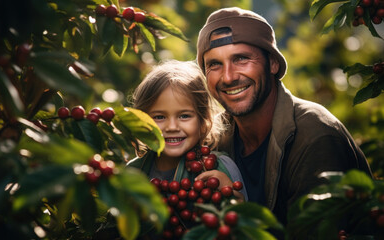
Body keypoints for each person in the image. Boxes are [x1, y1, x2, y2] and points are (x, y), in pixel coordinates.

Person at [195, 7, 372, 227]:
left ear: (274, 63)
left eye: (241, 59)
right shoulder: (213, 136)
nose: (229, 77)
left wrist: (241, 220)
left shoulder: (315, 136)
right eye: (214, 64)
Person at [127, 60, 245, 197]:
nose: (172, 127)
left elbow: (243, 216)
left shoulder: (220, 168)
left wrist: (231, 198)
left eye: (184, 116)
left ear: (203, 121)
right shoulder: (132, 173)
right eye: (159, 117)